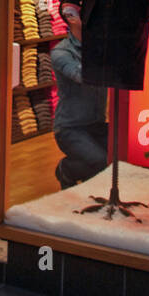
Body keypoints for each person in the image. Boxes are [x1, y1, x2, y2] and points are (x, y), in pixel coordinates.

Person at [51, 17, 109, 188]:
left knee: (122, 153)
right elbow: (82, 75)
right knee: (101, 161)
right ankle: (66, 169)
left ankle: (88, 182)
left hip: (96, 124)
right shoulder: (61, 52)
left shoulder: (99, 46)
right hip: (70, 128)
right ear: (72, 19)